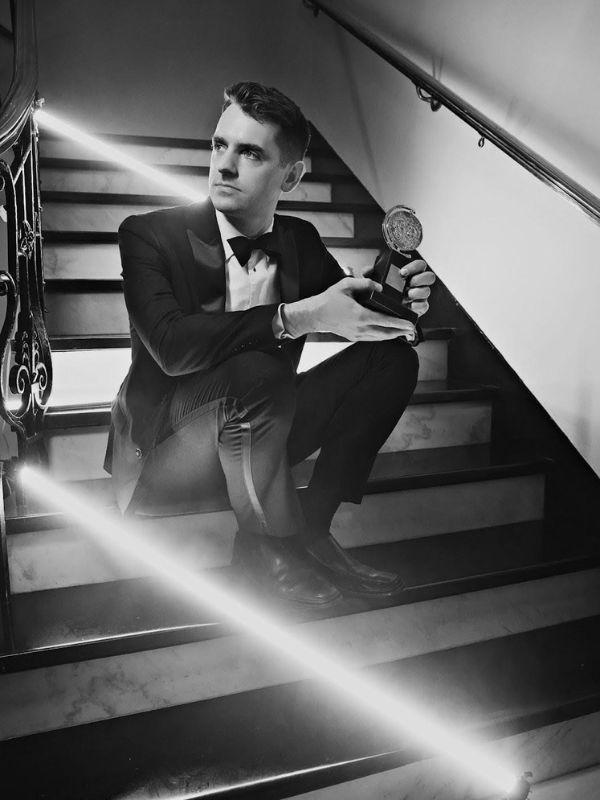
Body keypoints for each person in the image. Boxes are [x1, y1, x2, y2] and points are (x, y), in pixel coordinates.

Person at [104, 81, 435, 609]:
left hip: (259, 439)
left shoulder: (298, 240)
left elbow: (352, 309)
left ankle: (313, 529)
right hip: (166, 454)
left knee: (390, 360)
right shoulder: (148, 234)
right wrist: (291, 317)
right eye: (219, 145)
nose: (224, 165)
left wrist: (401, 299)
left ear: (293, 175)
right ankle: (267, 550)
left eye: (250, 152)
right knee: (259, 371)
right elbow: (170, 345)